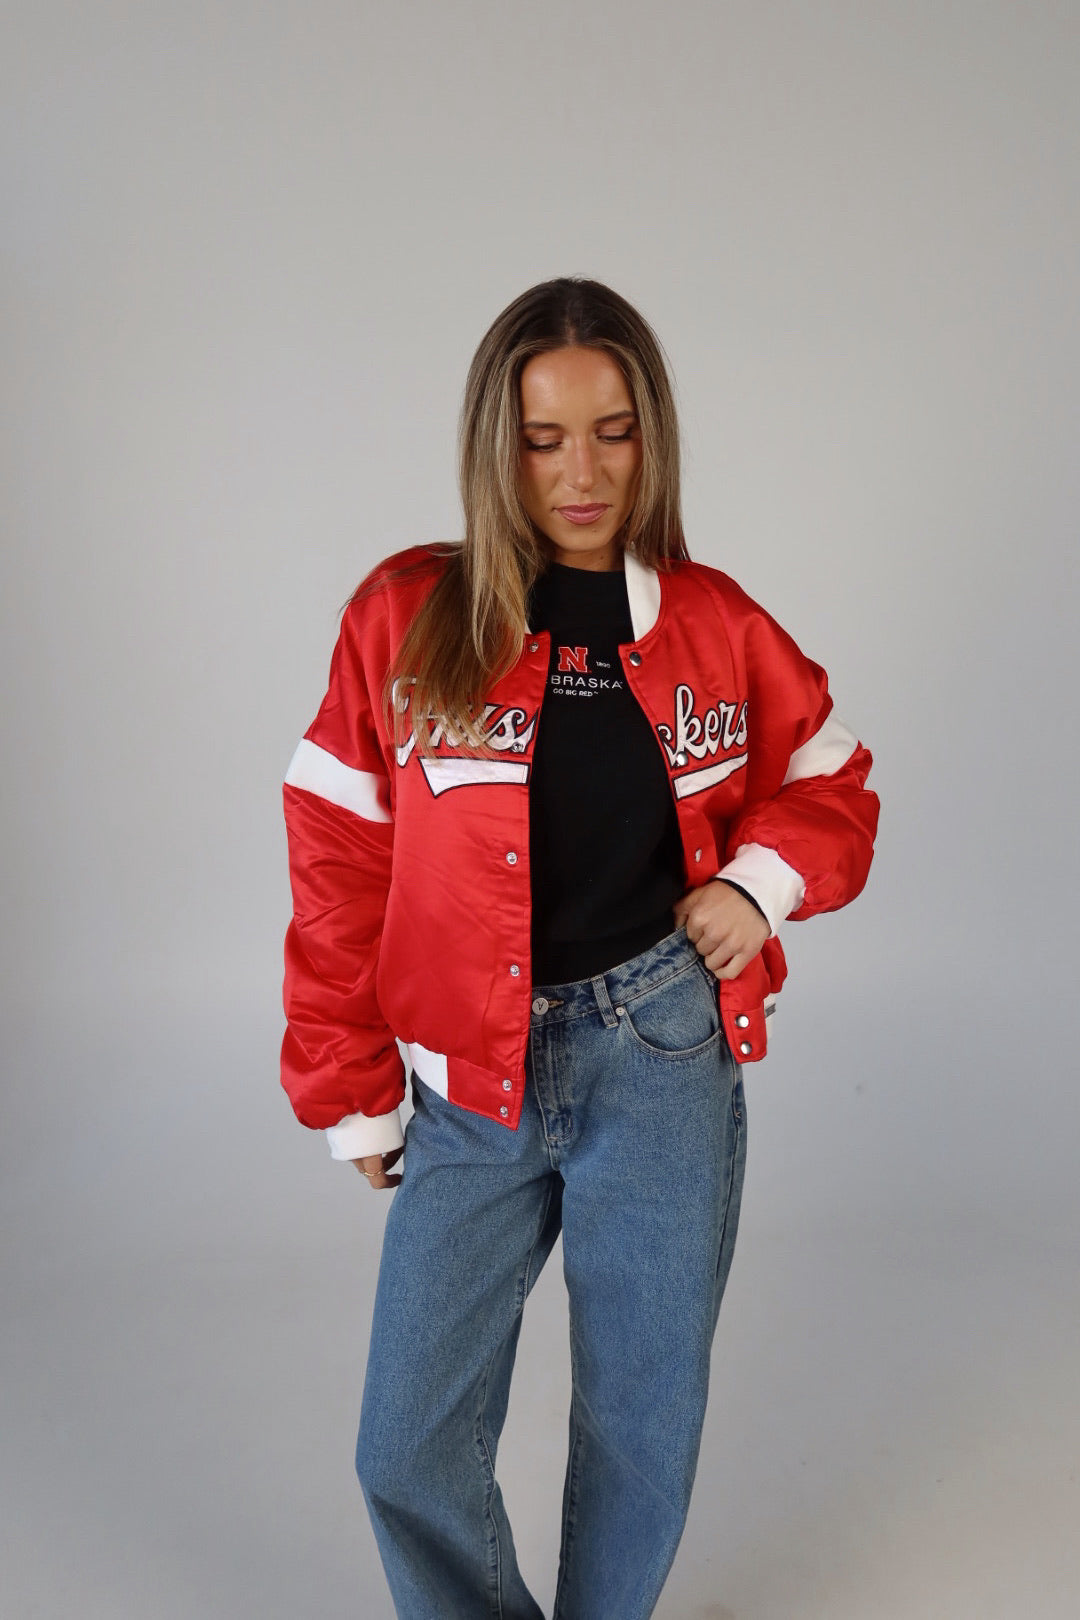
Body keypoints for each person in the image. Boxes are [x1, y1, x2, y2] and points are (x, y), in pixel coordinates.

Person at [280, 276, 879, 1620]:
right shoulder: (405, 616)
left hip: (661, 1053)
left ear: (650, 434)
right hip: (470, 1078)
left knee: (638, 1423)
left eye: (612, 432)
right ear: (494, 449)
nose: (582, 473)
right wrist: (351, 1086)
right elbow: (337, 863)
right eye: (543, 439)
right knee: (406, 1443)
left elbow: (832, 780)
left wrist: (759, 885)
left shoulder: (715, 621)